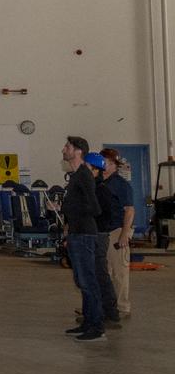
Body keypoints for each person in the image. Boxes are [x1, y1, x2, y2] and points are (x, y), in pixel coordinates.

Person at [61, 136, 105, 342]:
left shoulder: (84, 176)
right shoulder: (75, 176)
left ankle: (97, 327)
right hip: (76, 233)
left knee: (88, 281)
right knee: (81, 281)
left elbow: (94, 208)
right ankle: (88, 322)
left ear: (78, 151)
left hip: (85, 233)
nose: (64, 149)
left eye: (68, 147)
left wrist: (74, 211)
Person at [83, 152, 120, 327]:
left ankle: (111, 314)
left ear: (95, 170)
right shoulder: (93, 188)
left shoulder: (100, 190)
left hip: (98, 235)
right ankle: (96, 312)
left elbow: (103, 214)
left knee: (100, 275)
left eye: (87, 167)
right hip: (93, 234)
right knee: (92, 276)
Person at [100, 148, 134, 317]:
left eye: (108, 162)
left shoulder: (120, 184)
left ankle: (122, 308)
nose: (104, 165)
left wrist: (124, 234)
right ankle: (105, 306)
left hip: (116, 231)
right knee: (104, 273)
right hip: (101, 233)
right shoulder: (98, 182)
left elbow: (129, 210)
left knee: (120, 272)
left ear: (114, 165)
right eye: (103, 162)